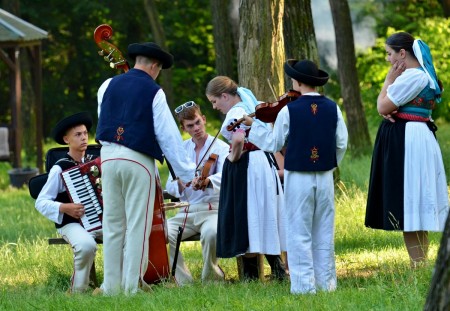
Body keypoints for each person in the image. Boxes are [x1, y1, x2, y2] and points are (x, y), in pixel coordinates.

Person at [96, 42, 195, 295]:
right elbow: (168, 137)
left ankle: (111, 287)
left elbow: (104, 118)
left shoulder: (107, 85)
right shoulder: (154, 91)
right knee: (137, 225)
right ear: (154, 66)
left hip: (107, 158)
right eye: (159, 69)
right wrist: (186, 174)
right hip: (137, 159)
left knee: (113, 224)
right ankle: (131, 287)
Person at [244, 60, 348, 294]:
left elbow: (274, 143)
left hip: (298, 176)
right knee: (323, 229)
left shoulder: (288, 110)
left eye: (293, 79)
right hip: (324, 177)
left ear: (299, 82)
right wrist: (329, 164)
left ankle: (303, 287)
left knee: (299, 231)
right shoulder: (333, 107)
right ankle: (327, 284)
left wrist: (254, 127)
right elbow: (341, 143)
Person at [365, 32, 449, 267]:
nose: (388, 60)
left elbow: (382, 104)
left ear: (403, 53)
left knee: (411, 199)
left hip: (410, 140)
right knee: (416, 199)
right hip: (417, 136)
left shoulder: (411, 77)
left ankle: (418, 263)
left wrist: (388, 81)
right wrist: (391, 107)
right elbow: (389, 107)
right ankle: (420, 261)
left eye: (389, 54)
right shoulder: (422, 76)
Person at [205, 76, 287, 280]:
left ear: (225, 96)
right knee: (264, 213)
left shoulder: (236, 112)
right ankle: (277, 271)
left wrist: (232, 157)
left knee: (250, 215)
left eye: (214, 102)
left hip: (249, 166)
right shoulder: (252, 104)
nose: (215, 107)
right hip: (263, 163)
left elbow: (239, 139)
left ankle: (252, 276)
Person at [35, 111, 103, 293]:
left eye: (85, 134)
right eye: (78, 135)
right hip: (70, 223)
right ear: (66, 139)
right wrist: (65, 207)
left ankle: (114, 287)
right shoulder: (60, 168)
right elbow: (41, 202)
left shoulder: (96, 164)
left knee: (127, 235)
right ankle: (77, 292)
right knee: (86, 245)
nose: (83, 138)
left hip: (99, 219)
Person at [165, 101, 229, 285]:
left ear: (204, 120)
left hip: (212, 210)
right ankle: (183, 280)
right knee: (161, 233)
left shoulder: (221, 148)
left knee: (211, 233)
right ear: (184, 128)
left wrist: (208, 181)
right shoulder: (180, 150)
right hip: (186, 211)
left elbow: (226, 176)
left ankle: (212, 278)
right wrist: (183, 184)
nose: (196, 128)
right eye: (190, 126)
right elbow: (170, 184)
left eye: (198, 122)